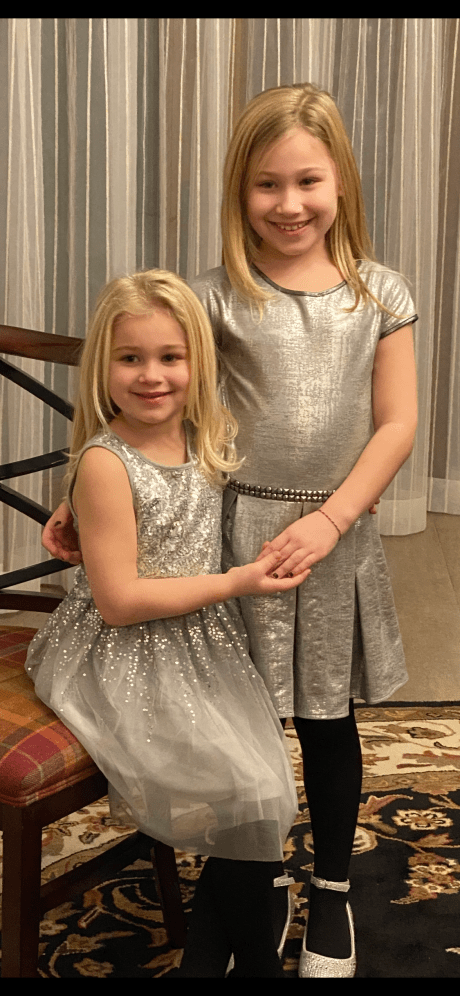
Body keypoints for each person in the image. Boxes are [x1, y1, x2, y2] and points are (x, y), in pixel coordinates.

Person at [43, 82, 418, 978]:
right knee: (231, 716)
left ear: (341, 182)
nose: (289, 204)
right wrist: (79, 498)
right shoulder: (212, 299)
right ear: (238, 191)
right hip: (232, 534)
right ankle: (252, 875)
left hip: (332, 539)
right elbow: (153, 411)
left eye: (307, 181)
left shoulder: (380, 293)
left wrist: (333, 517)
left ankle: (331, 889)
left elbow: (398, 423)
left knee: (327, 719)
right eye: (266, 184)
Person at [26, 268, 312, 978]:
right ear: (104, 366)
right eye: (130, 358)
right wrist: (239, 582)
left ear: (197, 363)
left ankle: (220, 960)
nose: (151, 376)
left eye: (170, 357)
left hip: (198, 639)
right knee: (249, 791)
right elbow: (119, 602)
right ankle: (247, 956)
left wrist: (341, 496)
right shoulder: (105, 462)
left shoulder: (203, 434)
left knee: (261, 791)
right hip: (118, 651)